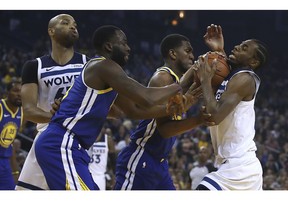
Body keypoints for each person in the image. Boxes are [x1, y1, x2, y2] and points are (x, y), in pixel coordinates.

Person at [22, 25, 193, 190]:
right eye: (124, 43)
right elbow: (146, 97)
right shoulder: (103, 66)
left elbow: (134, 111)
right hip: (61, 142)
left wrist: (171, 109)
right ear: (109, 46)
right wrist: (182, 84)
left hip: (72, 146)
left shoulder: (107, 76)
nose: (128, 48)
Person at [113, 33, 218, 190]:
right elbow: (164, 130)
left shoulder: (177, 83)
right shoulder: (163, 78)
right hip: (141, 156)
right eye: (188, 51)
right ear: (173, 53)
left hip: (159, 162)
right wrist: (198, 120)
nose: (192, 56)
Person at [16, 14, 88, 190]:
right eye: (65, 23)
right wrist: (56, 117)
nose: (73, 26)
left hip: (78, 141)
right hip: (47, 138)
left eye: (75, 24)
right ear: (51, 31)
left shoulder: (88, 64)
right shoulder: (34, 66)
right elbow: (29, 111)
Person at [195, 25, 269, 190]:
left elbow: (214, 116)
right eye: (240, 44)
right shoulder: (232, 78)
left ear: (254, 61)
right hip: (233, 166)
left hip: (240, 168)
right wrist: (220, 50)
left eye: (244, 48)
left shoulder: (245, 79)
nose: (236, 47)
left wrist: (206, 80)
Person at [0, 81, 23, 190]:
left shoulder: (22, 113)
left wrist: (15, 171)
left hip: (5, 162)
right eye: (15, 91)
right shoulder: (1, 107)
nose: (19, 94)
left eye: (21, 91)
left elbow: (11, 144)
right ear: (7, 93)